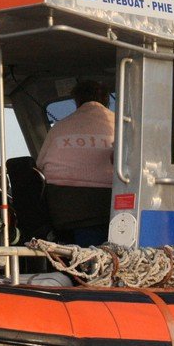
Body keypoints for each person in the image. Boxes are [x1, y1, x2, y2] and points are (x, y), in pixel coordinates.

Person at [36, 80, 114, 247]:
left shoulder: (59, 128)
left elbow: (40, 165)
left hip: (64, 210)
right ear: (107, 100)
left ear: (77, 101)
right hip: (109, 208)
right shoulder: (119, 126)